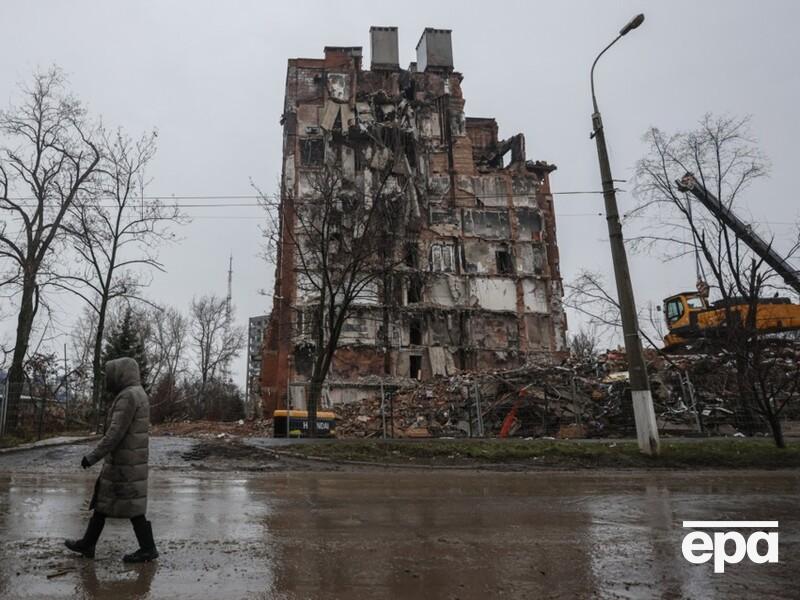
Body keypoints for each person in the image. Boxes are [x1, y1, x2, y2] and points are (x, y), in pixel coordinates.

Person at [65, 356, 158, 563]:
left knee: (131, 508)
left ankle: (148, 549)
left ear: (121, 374)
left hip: (124, 463)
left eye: (112, 374)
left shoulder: (128, 396)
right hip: (128, 461)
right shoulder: (137, 393)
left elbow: (115, 433)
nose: (110, 379)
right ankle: (88, 544)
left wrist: (92, 457)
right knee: (104, 505)